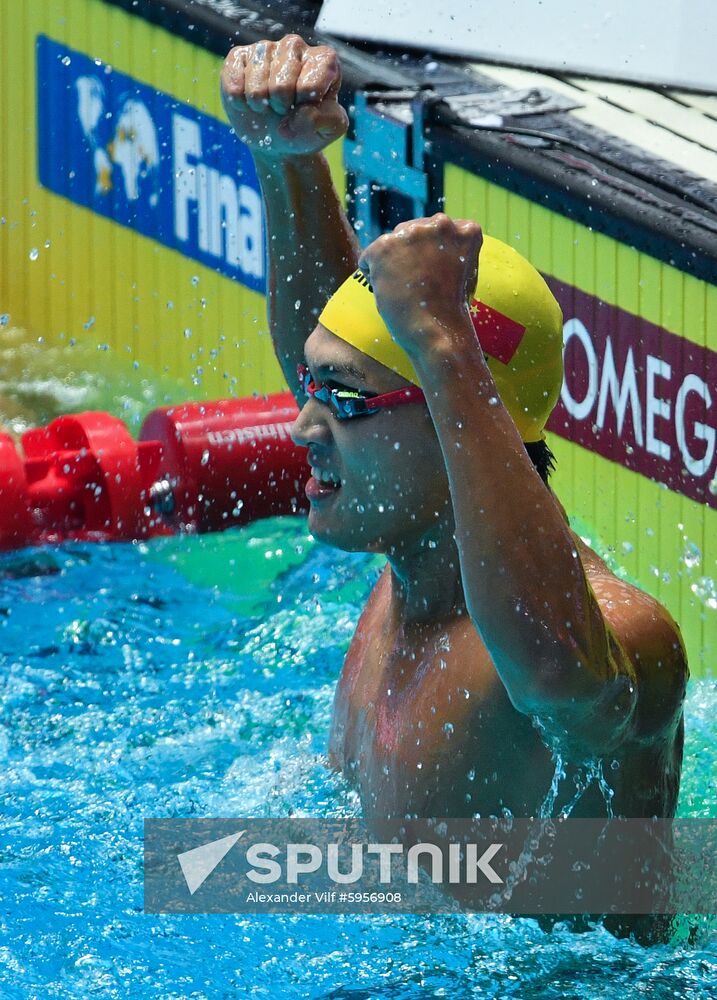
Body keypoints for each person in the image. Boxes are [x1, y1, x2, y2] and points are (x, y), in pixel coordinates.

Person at [220, 35, 689, 937]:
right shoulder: (408, 547)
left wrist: (439, 344)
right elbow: (347, 364)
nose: (301, 427)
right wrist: (288, 164)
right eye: (312, 393)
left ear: (455, 414)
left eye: (343, 405)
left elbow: (563, 682)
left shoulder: (608, 632)